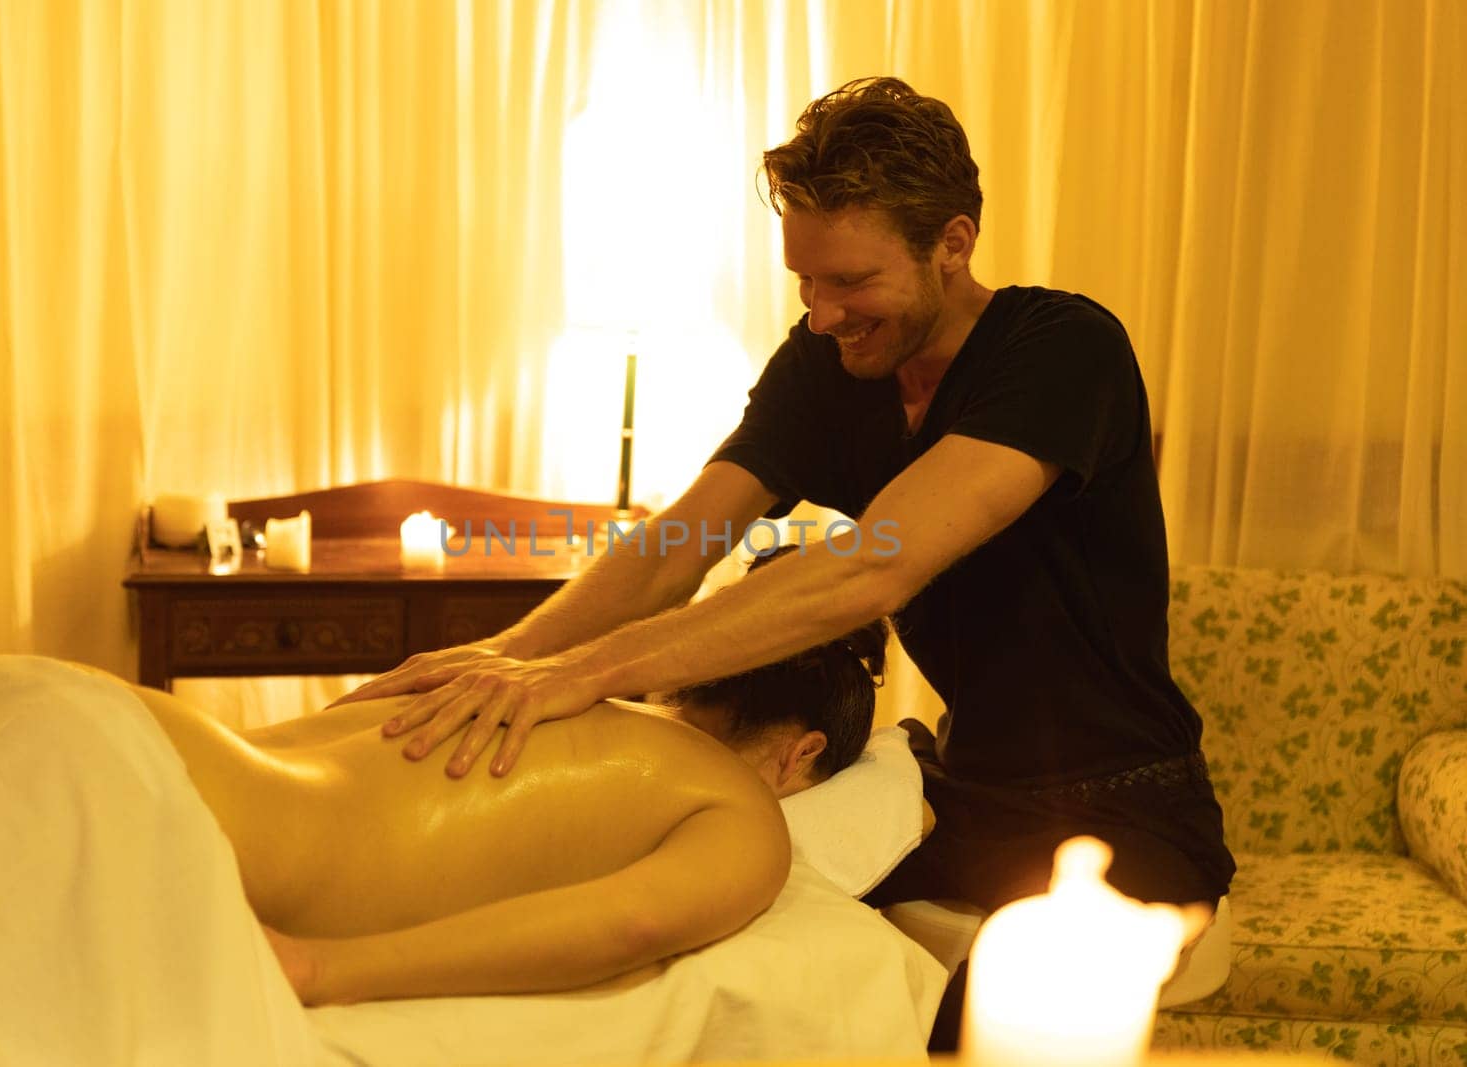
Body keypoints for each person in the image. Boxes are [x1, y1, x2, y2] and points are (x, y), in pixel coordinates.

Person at [335, 74, 1234, 1043]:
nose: (820, 313)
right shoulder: (829, 367)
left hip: (1125, 817)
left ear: (953, 243)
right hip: (971, 803)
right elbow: (677, 544)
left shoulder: (1063, 351)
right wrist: (500, 660)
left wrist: (579, 672)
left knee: (937, 1023)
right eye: (804, 280)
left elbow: (871, 564)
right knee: (729, 947)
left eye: (849, 281)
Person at [90, 582, 886, 1007]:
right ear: (802, 754)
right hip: (191, 826)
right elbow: (625, 923)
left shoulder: (527, 688)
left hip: (123, 725)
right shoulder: (741, 816)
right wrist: (320, 970)